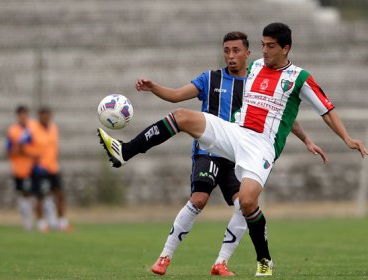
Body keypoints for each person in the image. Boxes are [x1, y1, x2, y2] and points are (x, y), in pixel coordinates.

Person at [97, 22, 367, 276]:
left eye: (271, 46)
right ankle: (125, 151)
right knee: (181, 116)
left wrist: (345, 139)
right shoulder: (256, 67)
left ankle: (264, 260)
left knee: (247, 202)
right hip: (237, 132)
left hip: (262, 147)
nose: (265, 51)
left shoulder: (299, 78)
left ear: (286, 48)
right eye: (263, 44)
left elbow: (326, 111)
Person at [133, 32, 327, 276]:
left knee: (243, 205)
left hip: (240, 155)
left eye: (236, 51)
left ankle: (221, 262)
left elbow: (282, 118)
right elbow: (175, 96)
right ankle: (164, 257)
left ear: (248, 54)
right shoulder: (210, 79)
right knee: (199, 199)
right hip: (210, 149)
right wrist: (154, 88)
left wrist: (307, 139)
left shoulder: (257, 79)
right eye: (227, 51)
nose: (231, 56)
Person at [30, 107, 72, 232]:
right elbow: (23, 146)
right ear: (39, 116)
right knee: (40, 196)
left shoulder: (53, 128)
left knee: (60, 195)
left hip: (53, 167)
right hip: (39, 168)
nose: (46, 117)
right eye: (44, 115)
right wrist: (33, 157)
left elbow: (54, 147)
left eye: (48, 115)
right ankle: (42, 224)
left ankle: (62, 222)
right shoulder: (32, 129)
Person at [6, 106, 36, 230]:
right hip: (19, 168)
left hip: (32, 167)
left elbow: (37, 146)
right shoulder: (12, 131)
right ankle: (26, 221)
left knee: (29, 194)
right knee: (23, 195)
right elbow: (9, 151)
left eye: (25, 114)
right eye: (21, 115)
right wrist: (18, 149)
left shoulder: (32, 128)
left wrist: (28, 151)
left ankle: (30, 221)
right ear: (17, 116)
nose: (23, 117)